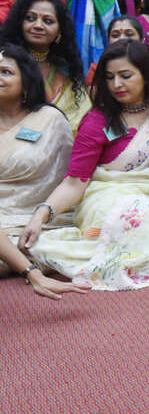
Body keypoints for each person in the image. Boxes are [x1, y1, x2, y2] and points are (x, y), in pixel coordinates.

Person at [22, 40, 149, 290]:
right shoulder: (96, 120)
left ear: (146, 76)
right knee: (133, 219)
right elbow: (75, 182)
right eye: (109, 77)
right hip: (107, 199)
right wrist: (41, 214)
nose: (116, 84)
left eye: (125, 75)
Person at [0, 44, 74, 266]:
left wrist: (41, 215)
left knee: (43, 248)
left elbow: (67, 177)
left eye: (6, 72)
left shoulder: (50, 120)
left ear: (26, 79)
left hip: (33, 220)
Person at [0, 0, 89, 132]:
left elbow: (80, 120)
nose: (38, 25)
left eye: (48, 21)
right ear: (19, 23)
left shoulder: (67, 71)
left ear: (60, 31)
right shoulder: (3, 63)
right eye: (30, 18)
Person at [85, 16, 149, 109]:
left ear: (142, 41)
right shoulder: (96, 71)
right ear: (108, 41)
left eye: (129, 34)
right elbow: (99, 107)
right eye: (115, 35)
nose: (122, 38)